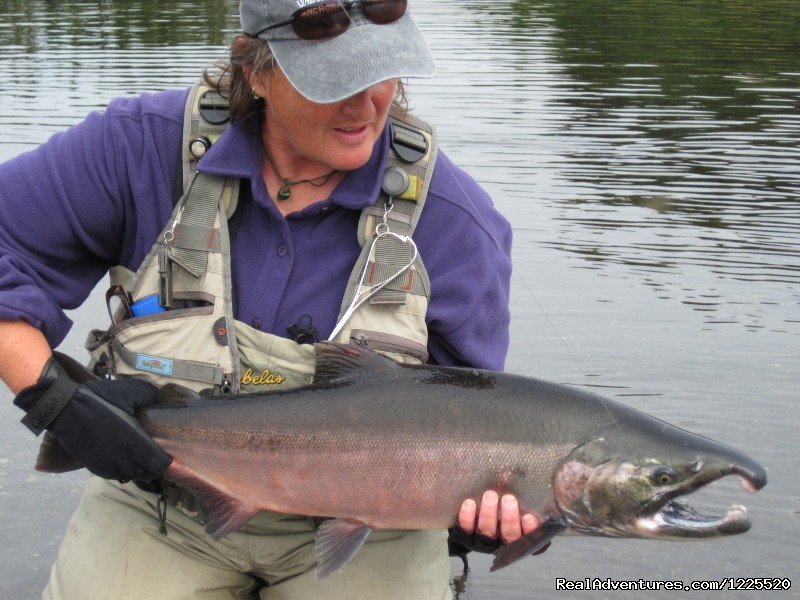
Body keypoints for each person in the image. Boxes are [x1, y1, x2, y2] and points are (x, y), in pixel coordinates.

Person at [0, 0, 544, 597]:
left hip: (373, 527)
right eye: (333, 80)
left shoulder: (458, 224)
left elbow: (477, 420)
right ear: (255, 71)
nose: (366, 106)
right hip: (160, 500)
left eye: (383, 72)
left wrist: (484, 521)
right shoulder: (138, 150)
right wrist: (58, 401)